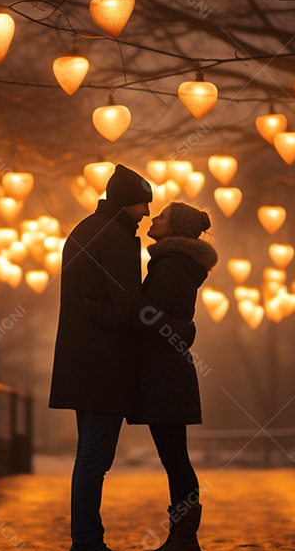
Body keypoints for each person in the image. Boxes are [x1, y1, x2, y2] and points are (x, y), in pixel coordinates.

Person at [50, 164, 195, 551]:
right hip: (103, 365)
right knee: (95, 458)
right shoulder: (114, 238)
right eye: (143, 205)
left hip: (85, 362)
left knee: (90, 457)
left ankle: (86, 539)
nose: (147, 213)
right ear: (127, 203)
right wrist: (182, 329)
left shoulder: (87, 229)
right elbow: (131, 307)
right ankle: (87, 542)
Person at [129, 202, 216, 551]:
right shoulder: (176, 265)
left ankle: (184, 537)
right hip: (169, 372)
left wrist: (111, 311)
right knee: (175, 456)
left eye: (162, 216)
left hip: (164, 374)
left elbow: (145, 316)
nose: (153, 218)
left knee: (175, 458)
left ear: (175, 229)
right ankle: (183, 535)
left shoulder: (169, 267)